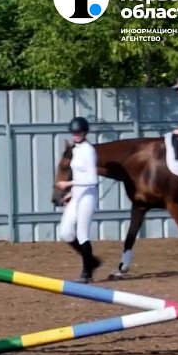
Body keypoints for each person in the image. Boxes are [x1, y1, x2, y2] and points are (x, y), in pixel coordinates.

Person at [55, 116, 101, 283]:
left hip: (88, 195)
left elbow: (93, 179)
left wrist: (69, 183)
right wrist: (72, 193)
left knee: (82, 234)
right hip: (77, 194)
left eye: (78, 132)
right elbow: (80, 175)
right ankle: (92, 261)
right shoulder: (75, 150)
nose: (75, 135)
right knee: (65, 232)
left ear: (85, 133)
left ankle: (86, 273)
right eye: (73, 132)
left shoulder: (89, 150)